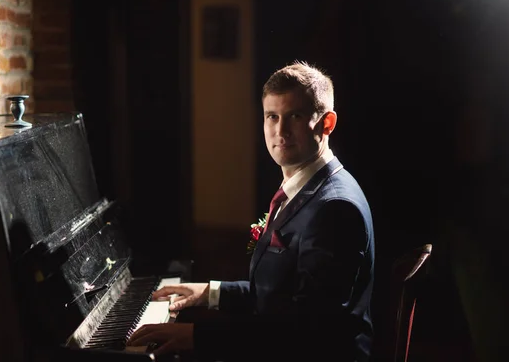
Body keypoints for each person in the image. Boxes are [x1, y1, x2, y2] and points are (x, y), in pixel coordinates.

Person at [128, 61, 375, 362]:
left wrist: (194, 336)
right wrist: (209, 292)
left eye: (294, 116)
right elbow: (280, 297)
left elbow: (307, 330)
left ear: (327, 123)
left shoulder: (334, 208)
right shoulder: (305, 188)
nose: (280, 131)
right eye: (272, 116)